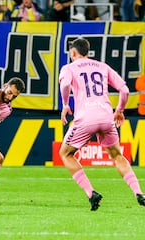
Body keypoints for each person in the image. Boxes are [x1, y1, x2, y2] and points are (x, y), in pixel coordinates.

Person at [58, 37, 145, 211]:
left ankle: (91, 193)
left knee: (66, 154)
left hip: (85, 118)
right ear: (88, 53)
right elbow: (125, 90)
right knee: (117, 156)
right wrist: (119, 110)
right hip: (107, 117)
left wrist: (66, 104)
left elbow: (66, 84)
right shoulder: (102, 66)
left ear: (73, 52)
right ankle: (139, 193)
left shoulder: (68, 68)